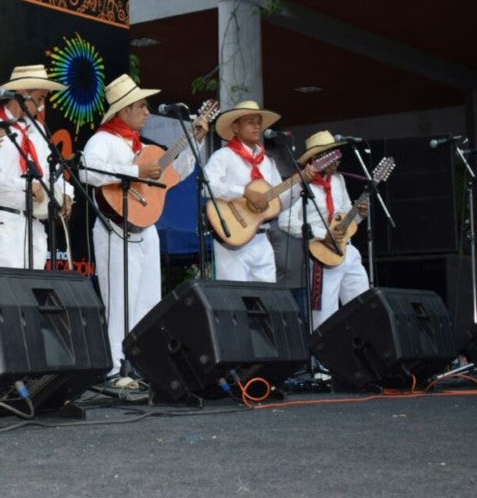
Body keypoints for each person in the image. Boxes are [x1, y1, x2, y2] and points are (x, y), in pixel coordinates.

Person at [79, 74, 208, 384]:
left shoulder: (145, 147)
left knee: (149, 299)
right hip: (114, 227)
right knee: (119, 301)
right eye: (141, 106)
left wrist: (196, 141)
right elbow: (87, 172)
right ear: (124, 110)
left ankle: (144, 364)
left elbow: (177, 173)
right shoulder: (102, 140)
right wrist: (134, 171)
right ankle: (115, 368)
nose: (147, 112)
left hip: (145, 229)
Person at [0, 64, 73, 270]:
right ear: (22, 93)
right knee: (8, 286)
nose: (42, 106)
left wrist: (66, 193)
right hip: (7, 220)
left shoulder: (37, 130)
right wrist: (23, 185)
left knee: (35, 287)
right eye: (40, 99)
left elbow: (51, 171)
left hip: (36, 223)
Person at [205, 100, 316, 282]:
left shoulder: (267, 162)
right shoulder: (224, 156)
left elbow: (278, 203)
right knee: (236, 295)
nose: (257, 127)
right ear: (235, 127)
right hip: (233, 237)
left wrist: (300, 185)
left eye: (259, 123)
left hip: (262, 237)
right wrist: (244, 192)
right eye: (251, 122)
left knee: (267, 293)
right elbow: (206, 186)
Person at [280, 130, 370, 330]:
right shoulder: (300, 185)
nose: (337, 159)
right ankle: (326, 351)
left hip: (347, 249)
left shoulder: (338, 180)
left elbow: (346, 216)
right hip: (322, 255)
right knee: (325, 319)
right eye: (330, 155)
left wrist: (359, 214)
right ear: (316, 159)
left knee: (362, 306)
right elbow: (285, 220)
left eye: (337, 154)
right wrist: (322, 235)